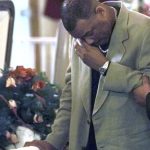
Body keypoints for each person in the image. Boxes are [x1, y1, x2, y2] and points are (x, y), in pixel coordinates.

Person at [24, 0, 150, 149]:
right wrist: (52, 143)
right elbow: (72, 96)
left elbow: (146, 90)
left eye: (90, 33)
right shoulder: (81, 38)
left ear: (101, 12)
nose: (88, 41)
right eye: (81, 37)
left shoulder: (144, 30)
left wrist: (104, 66)